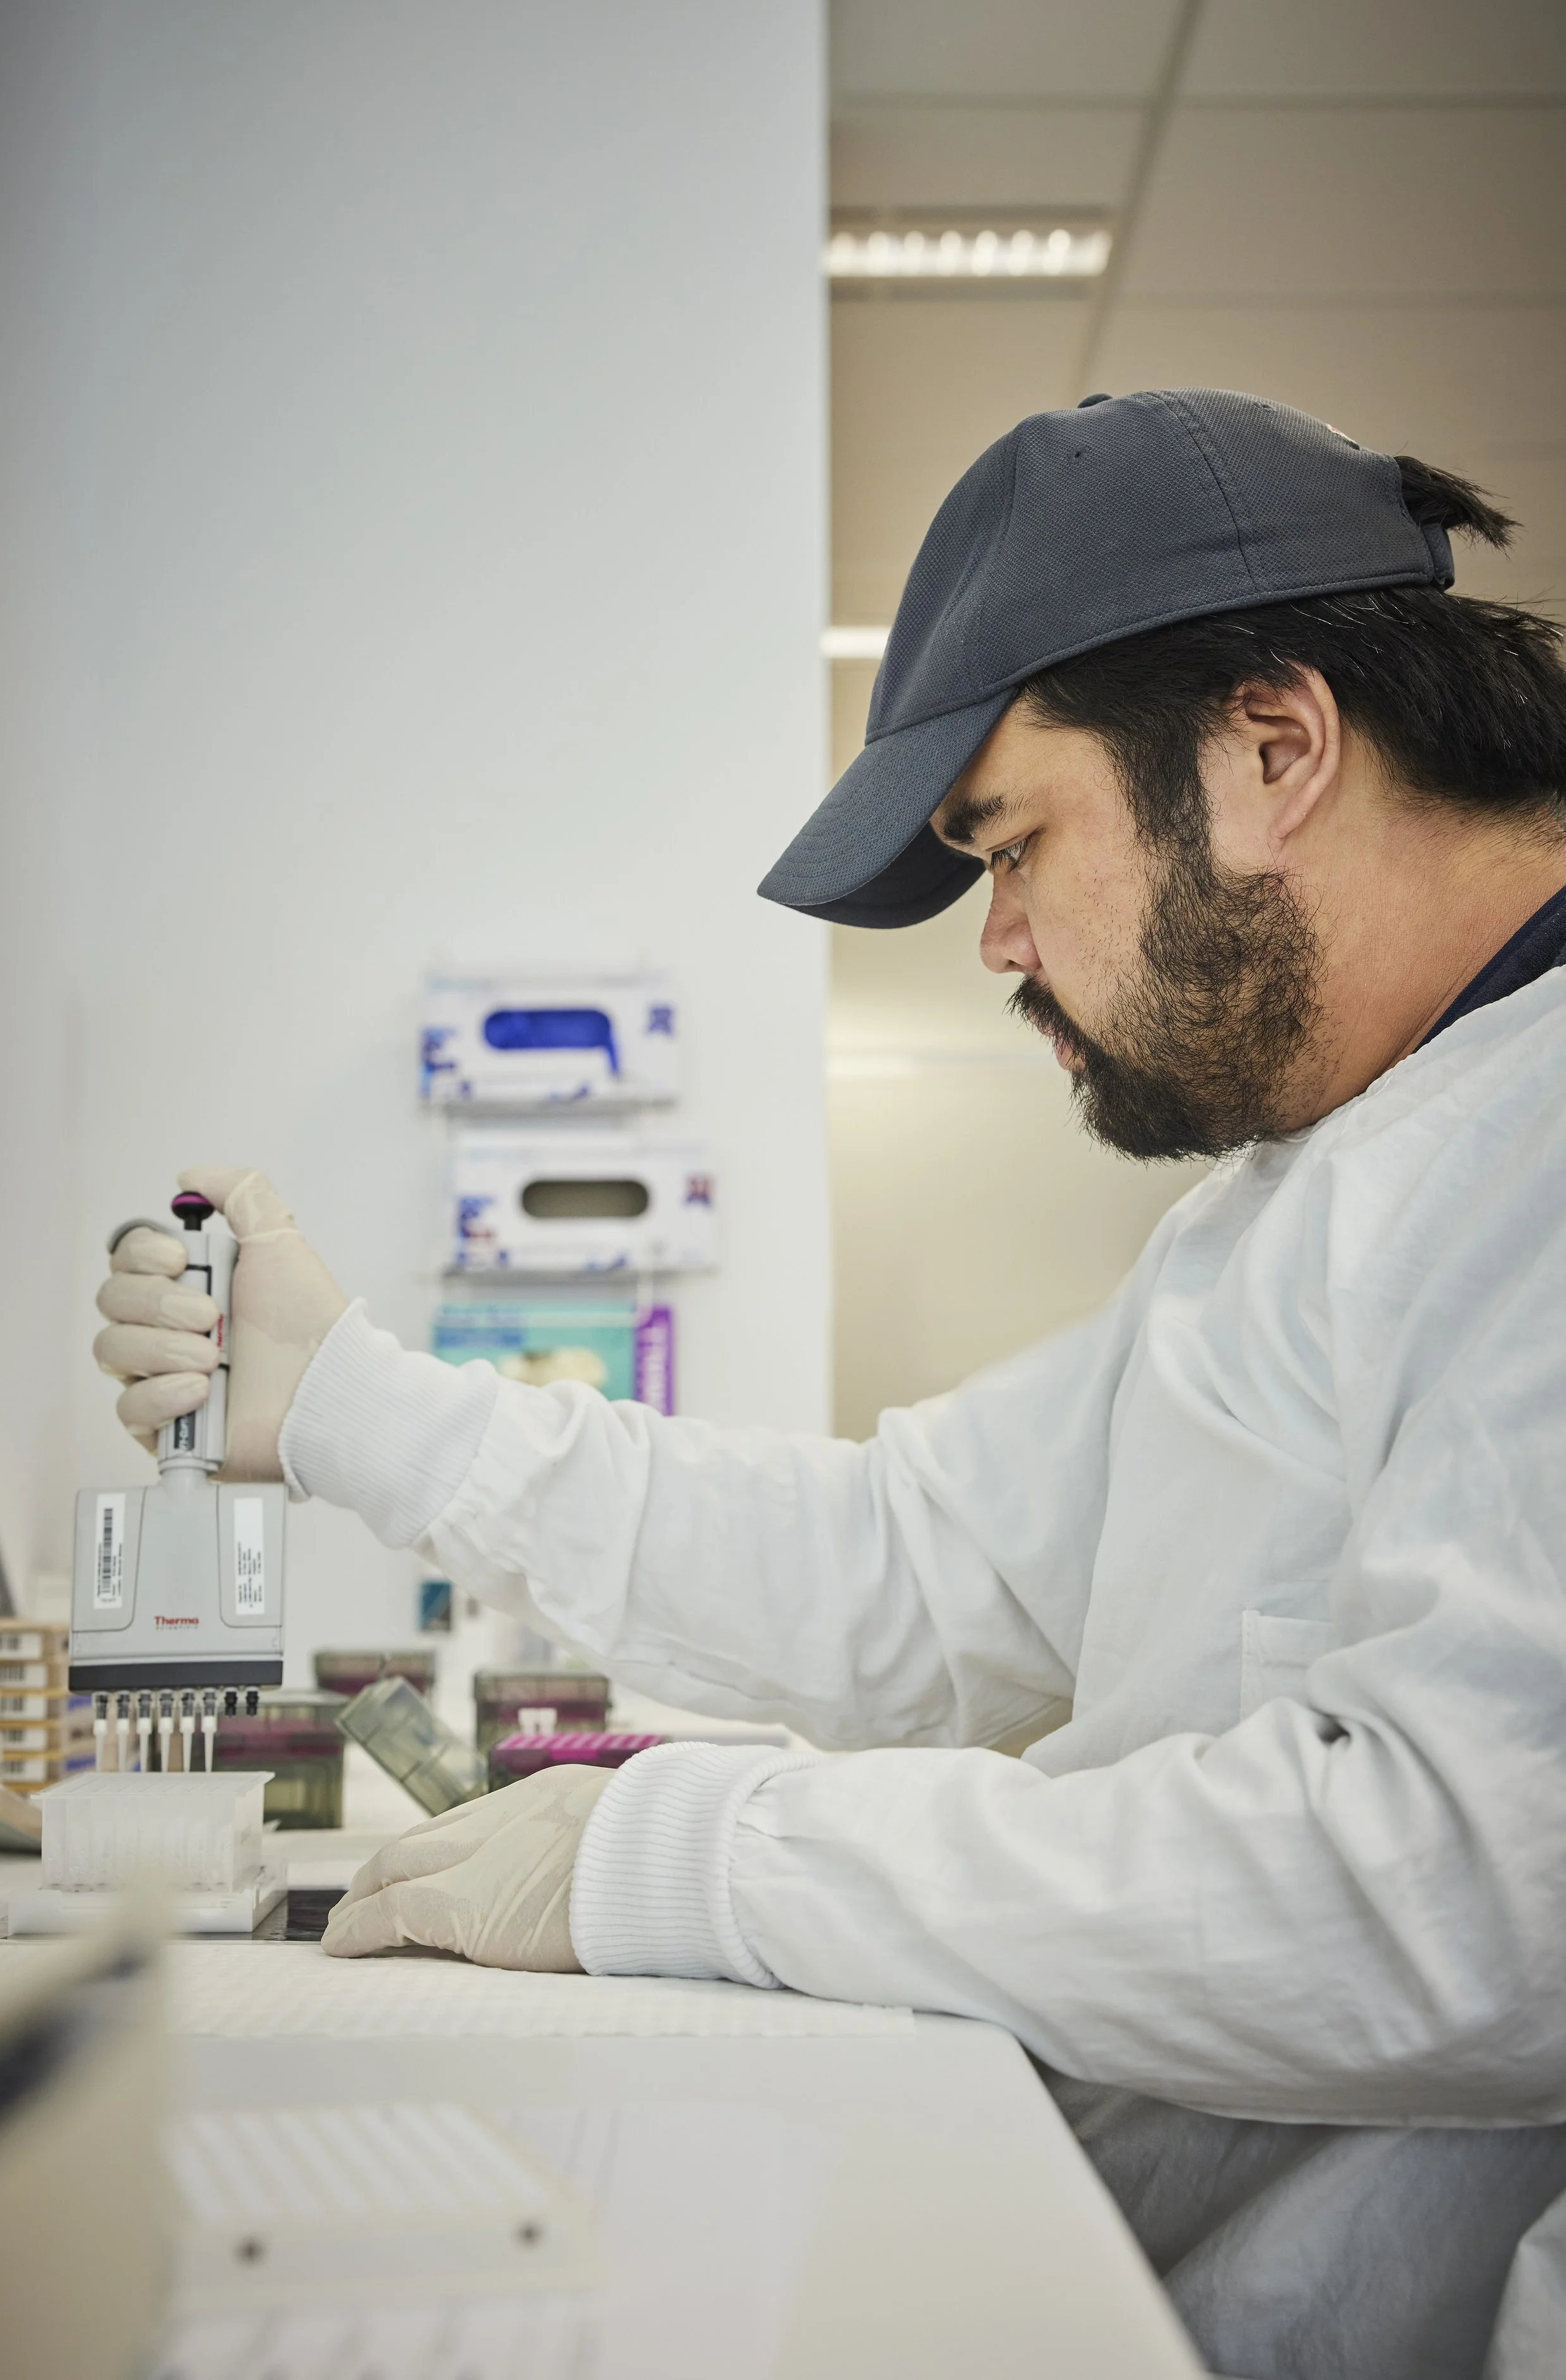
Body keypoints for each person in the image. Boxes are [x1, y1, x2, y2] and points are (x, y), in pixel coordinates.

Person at [93, 392, 1566, 2380]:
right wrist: (349, 1402)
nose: (1001, 942)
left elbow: (1467, 1891)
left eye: (1012, 843)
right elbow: (912, 1567)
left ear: (1274, 746)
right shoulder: (1302, 1188)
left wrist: (691, 1857)